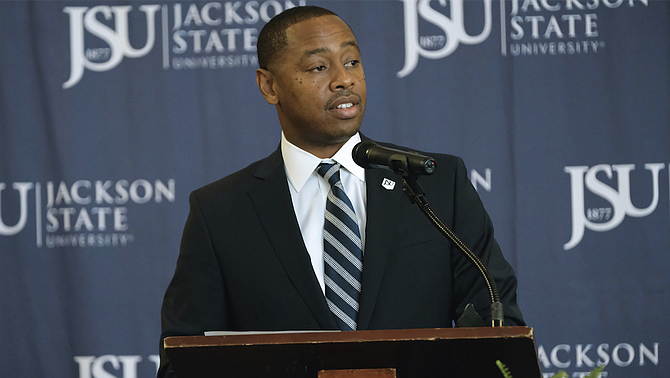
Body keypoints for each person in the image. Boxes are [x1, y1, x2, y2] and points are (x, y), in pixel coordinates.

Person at [158, 6, 524, 378]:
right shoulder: (220, 211)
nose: (343, 80)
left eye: (351, 62)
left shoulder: (438, 183)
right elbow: (185, 359)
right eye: (319, 67)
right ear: (269, 86)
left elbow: (498, 325)